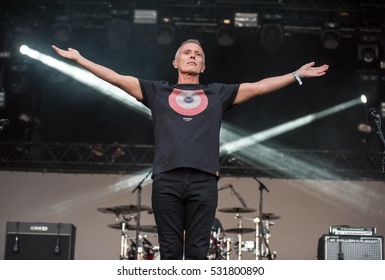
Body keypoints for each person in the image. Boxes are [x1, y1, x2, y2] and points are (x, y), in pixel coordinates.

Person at [52, 39, 329, 260]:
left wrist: (296, 75)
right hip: (166, 180)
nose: (193, 56)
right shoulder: (157, 92)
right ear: (176, 61)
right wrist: (80, 59)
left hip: (204, 181)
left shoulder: (217, 94)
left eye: (198, 54)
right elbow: (115, 78)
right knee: (170, 253)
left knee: (197, 254)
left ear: (204, 66)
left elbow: (258, 88)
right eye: (187, 52)